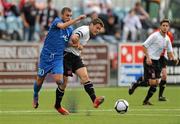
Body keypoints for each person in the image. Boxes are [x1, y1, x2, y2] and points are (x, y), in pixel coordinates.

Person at [32, 7, 86, 113]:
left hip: (58, 58)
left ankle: (57, 105)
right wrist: (76, 19)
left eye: (70, 16)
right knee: (40, 80)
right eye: (67, 15)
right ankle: (35, 95)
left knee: (59, 81)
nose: (69, 17)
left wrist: (77, 46)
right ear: (62, 15)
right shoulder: (57, 22)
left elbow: (67, 43)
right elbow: (62, 26)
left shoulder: (70, 30)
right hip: (46, 57)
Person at [54, 18, 105, 115]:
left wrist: (78, 47)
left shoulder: (88, 33)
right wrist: (78, 45)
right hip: (66, 56)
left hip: (75, 57)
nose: (97, 30)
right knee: (64, 84)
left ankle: (95, 100)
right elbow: (74, 37)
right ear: (91, 24)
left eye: (99, 29)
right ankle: (57, 105)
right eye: (97, 28)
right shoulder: (85, 30)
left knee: (85, 77)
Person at [129, 19, 178, 105]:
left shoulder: (167, 39)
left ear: (168, 27)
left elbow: (170, 53)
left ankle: (145, 100)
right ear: (160, 26)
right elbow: (144, 46)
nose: (165, 27)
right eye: (163, 25)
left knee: (155, 84)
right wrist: (148, 57)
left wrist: (174, 58)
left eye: (167, 26)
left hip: (157, 61)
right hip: (149, 60)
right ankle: (135, 85)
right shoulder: (155, 35)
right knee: (152, 82)